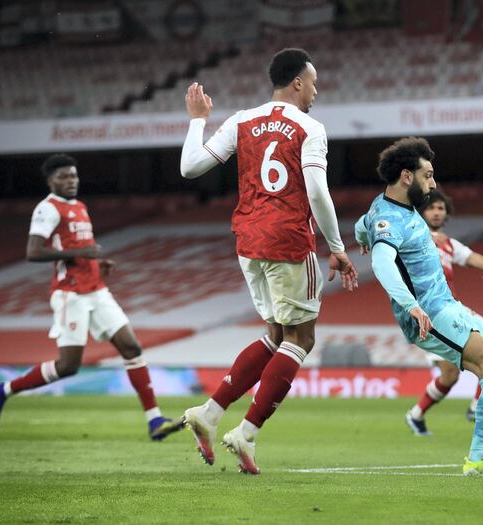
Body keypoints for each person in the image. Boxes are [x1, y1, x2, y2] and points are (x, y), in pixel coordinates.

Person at [179, 48, 358, 475]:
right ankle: (247, 432)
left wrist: (197, 119)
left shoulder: (242, 120)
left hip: (248, 241)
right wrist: (336, 246)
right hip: (289, 240)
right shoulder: (309, 127)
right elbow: (316, 190)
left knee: (276, 334)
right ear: (297, 82)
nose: (316, 90)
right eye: (313, 82)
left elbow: (189, 167)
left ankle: (209, 412)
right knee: (301, 339)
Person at [355, 137, 483, 476]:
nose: (434, 183)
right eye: (428, 175)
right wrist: (411, 305)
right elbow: (383, 263)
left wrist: (359, 240)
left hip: (446, 304)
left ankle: (479, 457)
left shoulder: (391, 210)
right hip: (428, 311)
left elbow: (361, 225)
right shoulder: (389, 219)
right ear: (406, 177)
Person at [0, 154, 184, 441]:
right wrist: (77, 255)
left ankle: (155, 421)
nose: (71, 181)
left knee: (131, 346)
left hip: (96, 289)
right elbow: (33, 252)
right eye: (64, 176)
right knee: (68, 366)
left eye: (74, 176)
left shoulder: (79, 206)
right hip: (70, 295)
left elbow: (80, 249)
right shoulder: (47, 209)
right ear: (50, 180)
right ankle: (3, 390)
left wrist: (97, 265)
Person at [405, 190, 483, 435]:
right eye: (432, 208)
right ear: (422, 212)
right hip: (429, 315)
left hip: (452, 308)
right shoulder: (413, 238)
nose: (436, 212)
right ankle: (416, 414)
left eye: (441, 208)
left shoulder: (450, 245)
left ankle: (475, 405)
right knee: (450, 376)